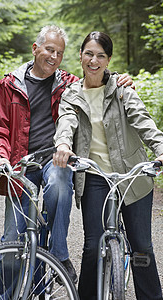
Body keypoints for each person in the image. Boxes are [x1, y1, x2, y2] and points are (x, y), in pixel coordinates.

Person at [0, 25, 133, 297]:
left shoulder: (67, 83)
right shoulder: (10, 85)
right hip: (20, 165)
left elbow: (96, 78)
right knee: (14, 240)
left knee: (61, 181)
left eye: (59, 53)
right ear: (35, 49)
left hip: (55, 159)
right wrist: (0, 157)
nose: (53, 56)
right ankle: (5, 296)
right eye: (49, 49)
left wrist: (119, 79)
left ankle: (58, 256)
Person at [53, 31, 163, 300]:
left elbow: (143, 121)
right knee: (92, 246)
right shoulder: (72, 94)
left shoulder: (122, 90)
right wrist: (63, 145)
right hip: (94, 176)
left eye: (100, 55)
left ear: (108, 59)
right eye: (89, 54)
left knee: (142, 247)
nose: (94, 60)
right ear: (80, 56)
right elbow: (66, 123)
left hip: (132, 176)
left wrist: (161, 147)